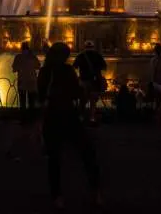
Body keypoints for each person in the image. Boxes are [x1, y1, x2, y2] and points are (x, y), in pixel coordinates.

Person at [38, 42, 101, 210]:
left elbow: (40, 94)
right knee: (87, 153)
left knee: (54, 159)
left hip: (51, 116)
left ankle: (57, 196)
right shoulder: (67, 71)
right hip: (68, 115)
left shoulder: (44, 72)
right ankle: (95, 191)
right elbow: (76, 92)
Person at [73, 40, 107, 123]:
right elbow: (104, 67)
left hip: (84, 80)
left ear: (84, 47)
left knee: (83, 99)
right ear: (93, 47)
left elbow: (75, 66)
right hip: (94, 81)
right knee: (93, 100)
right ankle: (92, 117)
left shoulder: (80, 56)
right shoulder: (97, 55)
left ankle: (81, 116)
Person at [12, 41, 40, 121]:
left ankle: (23, 118)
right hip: (32, 81)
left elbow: (14, 69)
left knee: (22, 101)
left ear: (21, 49)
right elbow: (38, 66)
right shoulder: (33, 57)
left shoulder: (18, 57)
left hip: (22, 81)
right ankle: (31, 118)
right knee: (31, 101)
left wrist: (20, 68)